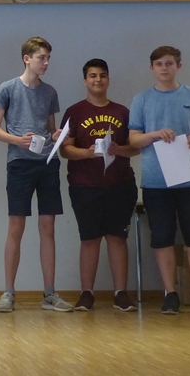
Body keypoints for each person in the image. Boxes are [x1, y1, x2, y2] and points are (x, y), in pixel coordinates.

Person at [128, 45, 190, 315]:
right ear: (152, 68)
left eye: (169, 63)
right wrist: (154, 135)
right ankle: (171, 294)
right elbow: (133, 139)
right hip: (156, 181)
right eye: (159, 64)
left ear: (178, 65)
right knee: (162, 237)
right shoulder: (142, 99)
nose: (164, 68)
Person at [0, 37, 71, 313]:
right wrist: (17, 140)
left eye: (48, 58)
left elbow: (50, 128)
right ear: (27, 58)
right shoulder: (8, 88)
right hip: (20, 164)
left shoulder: (49, 92)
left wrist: (57, 135)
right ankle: (8, 292)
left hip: (47, 162)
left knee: (48, 227)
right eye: (41, 57)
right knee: (16, 226)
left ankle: (49, 293)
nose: (46, 63)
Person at [60, 59, 140, 312]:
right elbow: (65, 149)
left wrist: (119, 149)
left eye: (102, 75)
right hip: (84, 185)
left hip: (120, 184)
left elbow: (136, 148)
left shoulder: (122, 112)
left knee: (117, 238)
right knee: (90, 239)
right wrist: (87, 153)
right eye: (93, 76)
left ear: (108, 80)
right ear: (85, 81)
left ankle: (120, 294)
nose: (98, 80)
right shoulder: (74, 112)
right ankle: (87, 294)